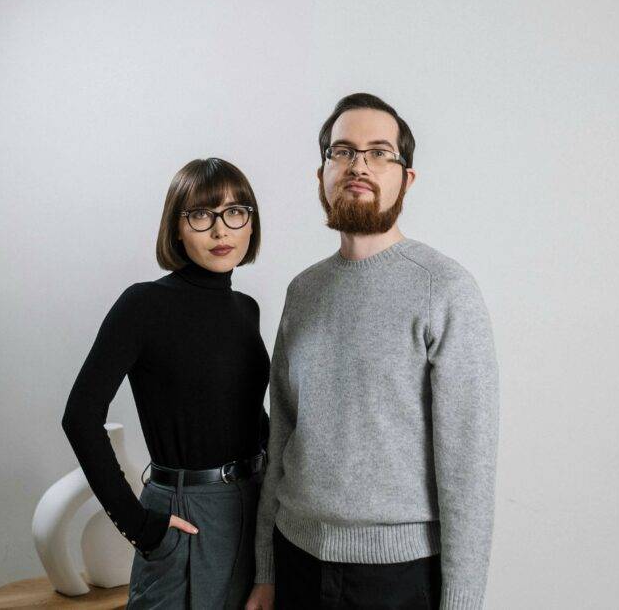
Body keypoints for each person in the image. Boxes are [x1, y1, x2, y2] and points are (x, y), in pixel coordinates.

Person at [246, 93, 500, 610]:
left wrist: (463, 602)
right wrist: (267, 571)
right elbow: (282, 433)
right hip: (297, 561)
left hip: (399, 578)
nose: (358, 165)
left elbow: (468, 469)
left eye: (379, 152)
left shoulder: (445, 290)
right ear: (321, 175)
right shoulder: (303, 291)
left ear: (406, 179)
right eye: (342, 151)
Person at [61, 157, 271, 608]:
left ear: (250, 224)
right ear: (176, 228)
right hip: (185, 512)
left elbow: (246, 411)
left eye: (236, 213)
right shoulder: (144, 306)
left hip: (255, 507)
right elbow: (80, 416)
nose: (221, 231)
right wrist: (139, 525)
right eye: (201, 215)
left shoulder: (247, 309)